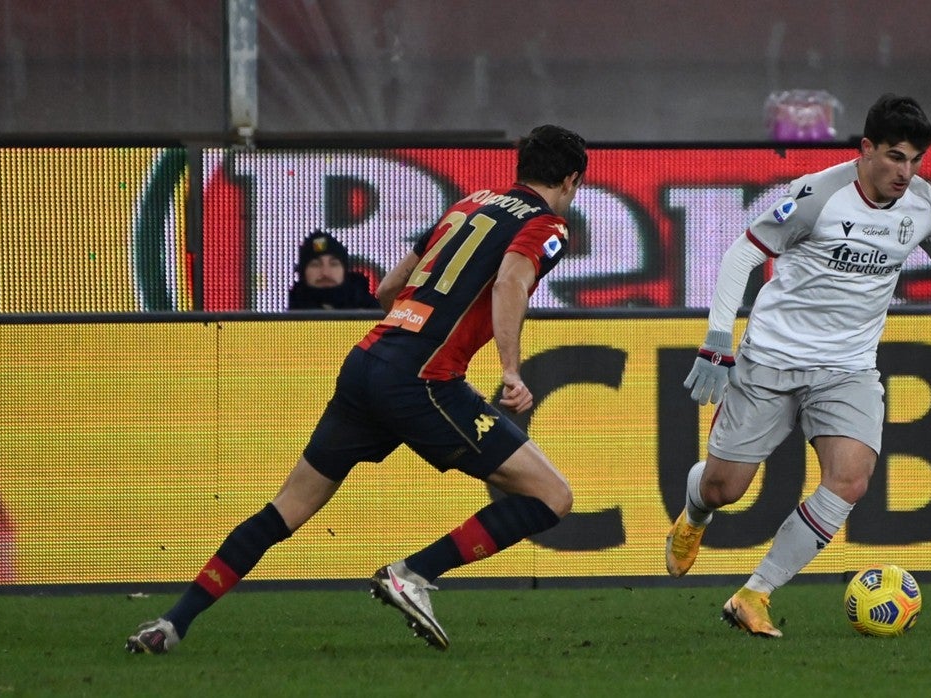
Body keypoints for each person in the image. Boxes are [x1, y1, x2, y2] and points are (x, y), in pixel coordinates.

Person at [126, 124, 588, 654]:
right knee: (553, 496)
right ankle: (413, 573)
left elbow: (392, 287)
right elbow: (510, 280)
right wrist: (510, 368)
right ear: (571, 180)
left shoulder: (470, 204)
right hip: (423, 380)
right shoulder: (548, 224)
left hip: (369, 361)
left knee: (286, 508)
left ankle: (172, 624)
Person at [665, 94, 931, 638]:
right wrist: (716, 340)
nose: (906, 172)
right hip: (773, 359)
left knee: (849, 480)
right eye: (895, 157)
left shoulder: (923, 206)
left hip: (847, 368)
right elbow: (742, 253)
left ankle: (754, 593)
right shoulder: (817, 196)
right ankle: (695, 513)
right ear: (865, 148)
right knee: (724, 489)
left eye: (915, 161)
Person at [286, 230, 381, 310]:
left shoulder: (375, 316)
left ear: (345, 270)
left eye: (334, 264)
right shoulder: (284, 324)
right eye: (315, 265)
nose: (325, 272)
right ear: (303, 272)